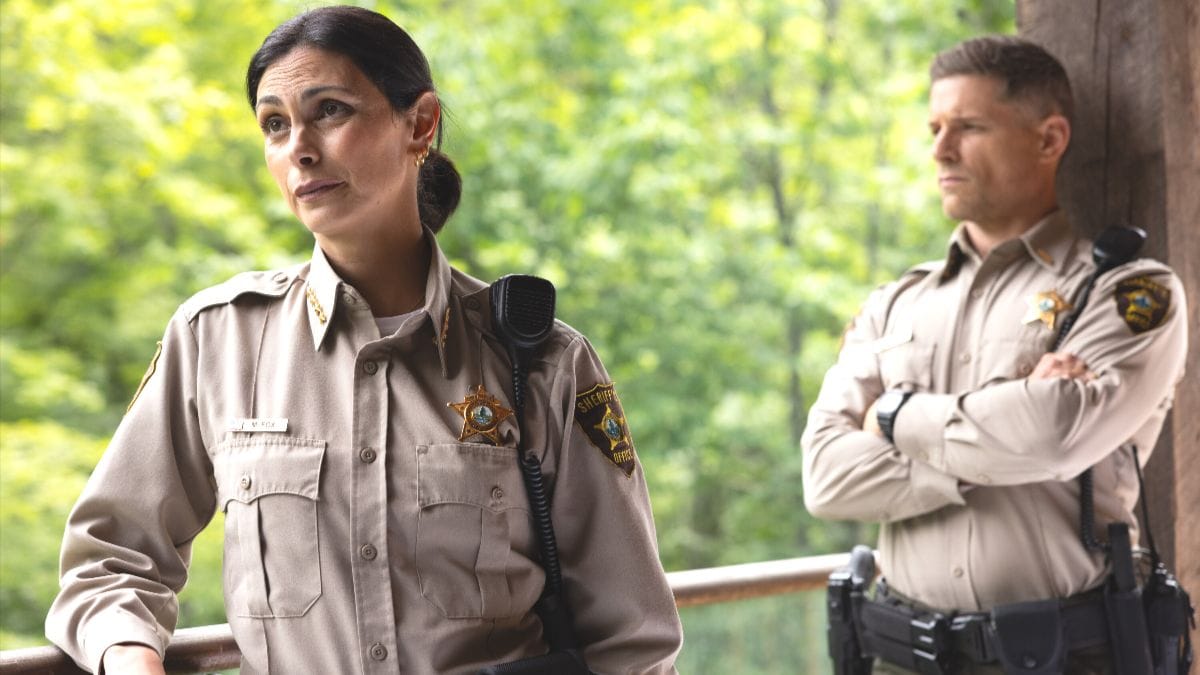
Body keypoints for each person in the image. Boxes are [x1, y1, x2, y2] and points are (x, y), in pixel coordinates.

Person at [44, 6, 683, 674]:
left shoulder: (543, 360)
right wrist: (129, 655)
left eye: (330, 111)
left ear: (421, 124)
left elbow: (632, 635)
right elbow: (112, 559)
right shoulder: (217, 342)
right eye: (275, 124)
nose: (300, 148)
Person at [802, 35, 1187, 673]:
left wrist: (894, 418)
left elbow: (1053, 440)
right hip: (903, 654)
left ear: (1048, 139)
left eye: (969, 126)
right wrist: (992, 444)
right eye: (934, 128)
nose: (940, 150)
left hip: (1065, 655)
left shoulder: (1126, 291)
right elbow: (826, 476)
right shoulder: (895, 303)